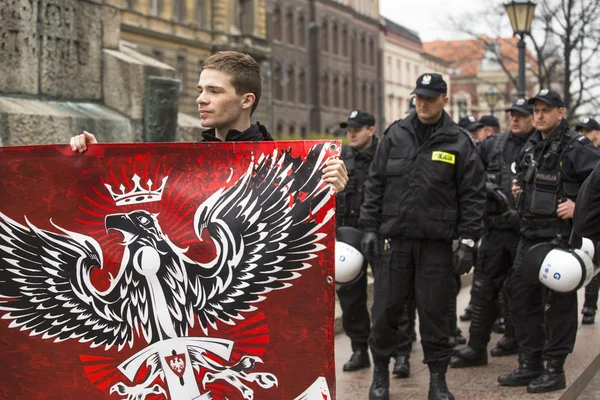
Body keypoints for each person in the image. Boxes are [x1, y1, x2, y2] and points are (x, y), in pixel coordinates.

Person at [360, 73, 486, 400]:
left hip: (436, 245)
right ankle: (380, 376)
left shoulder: (458, 141)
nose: (423, 103)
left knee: (435, 314)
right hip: (396, 244)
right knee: (386, 311)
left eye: (430, 97)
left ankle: (437, 380)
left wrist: (469, 242)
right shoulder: (395, 135)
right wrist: (369, 227)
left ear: (444, 99)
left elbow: (473, 195)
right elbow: (375, 184)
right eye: (419, 97)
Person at [69, 51, 348, 192]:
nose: (201, 99)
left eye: (214, 91)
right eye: (200, 90)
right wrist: (96, 160)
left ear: (246, 100)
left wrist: (332, 191)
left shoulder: (285, 168)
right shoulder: (186, 161)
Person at [500, 89, 600, 393]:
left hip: (559, 240)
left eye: (546, 110)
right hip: (528, 236)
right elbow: (523, 179)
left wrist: (577, 207)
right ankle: (529, 364)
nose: (540, 115)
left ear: (561, 112)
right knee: (519, 297)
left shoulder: (577, 147)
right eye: (537, 110)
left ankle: (555, 368)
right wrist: (520, 191)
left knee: (558, 305)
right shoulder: (532, 144)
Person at [450, 98, 535, 369]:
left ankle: (522, 345)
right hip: (496, 230)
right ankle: (476, 347)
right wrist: (486, 188)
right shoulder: (494, 144)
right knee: (484, 289)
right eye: (512, 114)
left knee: (523, 292)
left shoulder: (542, 146)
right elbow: (470, 172)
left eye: (521, 115)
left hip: (528, 232)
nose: (515, 119)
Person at [336, 110, 379, 372]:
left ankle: (400, 348)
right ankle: (359, 350)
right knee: (351, 298)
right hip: (347, 236)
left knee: (389, 295)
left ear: (371, 129)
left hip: (378, 233)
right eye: (348, 129)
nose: (351, 133)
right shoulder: (340, 157)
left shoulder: (384, 156)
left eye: (357, 128)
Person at [575, 117, 600, 324]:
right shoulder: (576, 155)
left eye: (588, 131)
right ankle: (589, 307)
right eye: (581, 131)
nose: (584, 134)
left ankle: (590, 306)